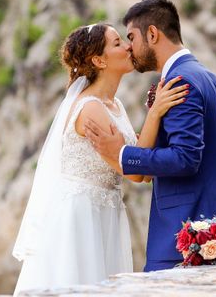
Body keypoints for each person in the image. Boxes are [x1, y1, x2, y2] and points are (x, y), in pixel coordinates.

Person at [12, 22, 188, 295]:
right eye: (118, 43)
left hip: (105, 211)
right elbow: (135, 172)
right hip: (82, 215)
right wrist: (154, 114)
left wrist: (154, 113)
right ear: (98, 60)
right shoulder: (91, 109)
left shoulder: (114, 106)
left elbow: (137, 159)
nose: (129, 46)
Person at [85, 0, 216, 271]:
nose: (129, 47)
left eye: (131, 37)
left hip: (186, 230)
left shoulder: (182, 82)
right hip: (215, 224)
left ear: (152, 34)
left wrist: (123, 154)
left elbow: (185, 158)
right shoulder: (211, 78)